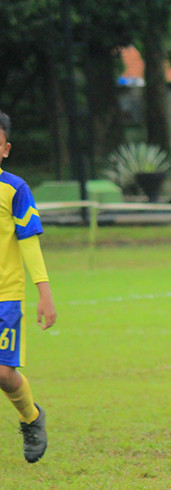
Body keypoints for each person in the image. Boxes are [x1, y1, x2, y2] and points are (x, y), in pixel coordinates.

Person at [0, 110, 55, 463]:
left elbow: (29, 241)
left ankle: (31, 418)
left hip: (6, 294)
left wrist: (44, 293)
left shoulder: (15, 188)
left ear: (4, 149)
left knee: (3, 373)